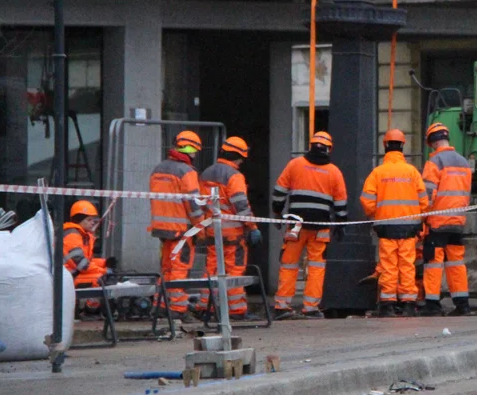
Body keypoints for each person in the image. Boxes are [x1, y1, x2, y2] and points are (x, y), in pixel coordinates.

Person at [272, 131, 348, 320]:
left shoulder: (295, 165)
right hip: (320, 227)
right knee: (316, 266)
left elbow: (279, 191)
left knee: (289, 264)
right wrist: (341, 223)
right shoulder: (334, 172)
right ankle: (311, 307)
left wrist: (277, 211)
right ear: (329, 149)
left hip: (296, 225)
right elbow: (341, 202)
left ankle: (282, 306)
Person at [361, 128, 429, 318]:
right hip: (409, 227)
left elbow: (366, 200)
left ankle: (388, 305)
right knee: (407, 265)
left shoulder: (377, 172)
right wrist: (421, 220)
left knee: (388, 265)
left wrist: (377, 214)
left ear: (385, 146)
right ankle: (408, 304)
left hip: (386, 226)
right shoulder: (412, 172)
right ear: (402, 146)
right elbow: (424, 201)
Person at [196, 136, 262, 321]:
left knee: (211, 269)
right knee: (234, 271)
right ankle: (236, 310)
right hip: (233, 234)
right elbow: (241, 205)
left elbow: (201, 204)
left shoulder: (206, 173)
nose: (242, 161)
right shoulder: (234, 176)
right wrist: (252, 227)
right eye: (242, 157)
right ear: (238, 156)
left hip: (212, 231)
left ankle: (205, 307)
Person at [148, 130, 205, 324]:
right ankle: (178, 309)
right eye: (195, 150)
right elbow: (193, 204)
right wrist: (200, 227)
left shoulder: (158, 168)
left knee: (166, 268)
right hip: (180, 229)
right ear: (190, 150)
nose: (195, 154)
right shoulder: (187, 172)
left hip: (161, 228)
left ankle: (160, 305)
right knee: (180, 269)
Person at [419, 123, 473, 317]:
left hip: (438, 222)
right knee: (456, 263)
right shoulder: (464, 162)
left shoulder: (435, 162)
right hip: (457, 221)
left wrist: (423, 217)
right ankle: (462, 304)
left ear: (432, 143)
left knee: (433, 262)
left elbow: (427, 195)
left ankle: (432, 304)